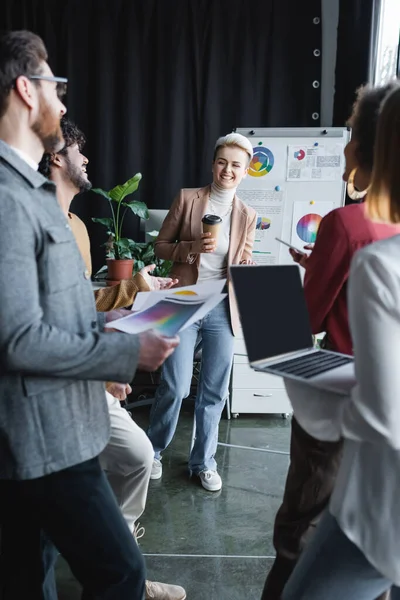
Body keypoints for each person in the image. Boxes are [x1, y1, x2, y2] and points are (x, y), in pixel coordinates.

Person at [0, 30, 179, 600]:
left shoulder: (27, 189)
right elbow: (18, 338)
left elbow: (47, 310)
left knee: (31, 577)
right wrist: (127, 351)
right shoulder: (7, 197)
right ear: (27, 90)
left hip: (53, 431)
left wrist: (118, 326)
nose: (65, 102)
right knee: (120, 573)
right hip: (44, 434)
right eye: (57, 86)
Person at [261, 80, 400, 600]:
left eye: (347, 135)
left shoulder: (347, 224)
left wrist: (270, 306)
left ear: (369, 147)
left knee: (299, 529)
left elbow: (306, 320)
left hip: (345, 416)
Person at [39, 116, 186, 600]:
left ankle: (117, 563)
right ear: (57, 156)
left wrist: (136, 289)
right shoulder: (31, 220)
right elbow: (40, 327)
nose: (87, 159)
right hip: (47, 394)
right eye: (79, 150)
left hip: (83, 374)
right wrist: (117, 356)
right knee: (36, 540)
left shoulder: (77, 226)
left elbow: (82, 304)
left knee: (139, 457)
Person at [147, 133, 257, 491]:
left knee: (214, 391)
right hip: (184, 302)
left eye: (236, 165)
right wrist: (192, 249)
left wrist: (245, 263)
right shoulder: (188, 199)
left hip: (223, 308)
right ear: (213, 164)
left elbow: (245, 256)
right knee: (176, 386)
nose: (228, 169)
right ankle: (153, 451)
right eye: (222, 161)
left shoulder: (248, 215)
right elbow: (161, 247)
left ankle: (203, 462)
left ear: (245, 172)